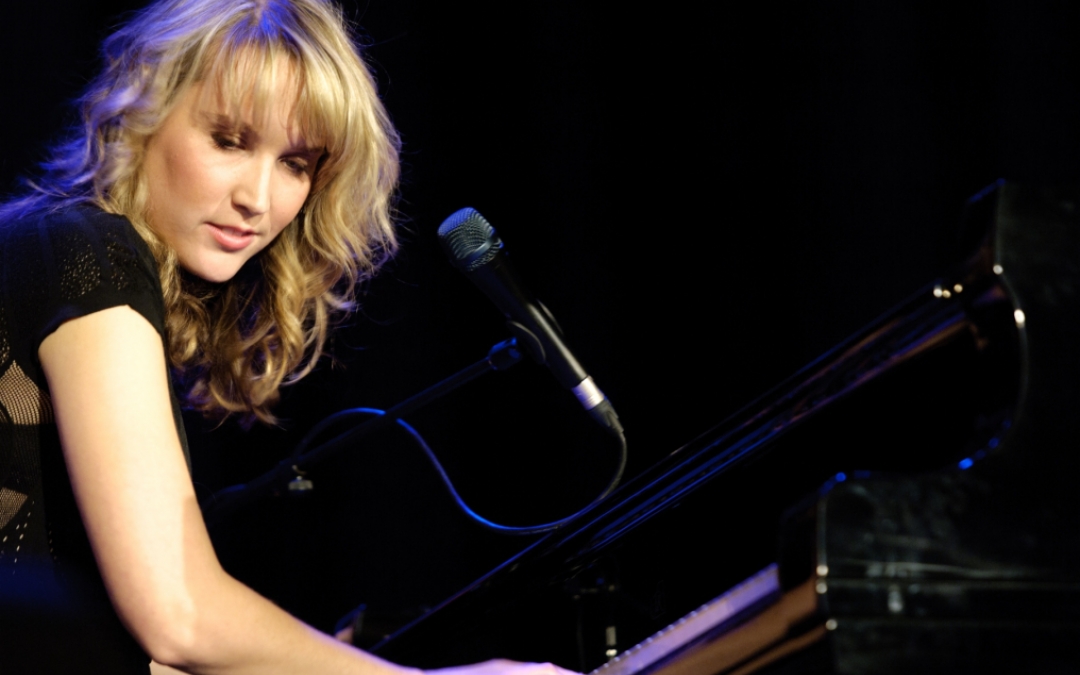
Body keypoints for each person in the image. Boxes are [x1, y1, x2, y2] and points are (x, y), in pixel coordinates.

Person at [0, 1, 574, 673]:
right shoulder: (86, 250)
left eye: (296, 163)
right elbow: (180, 617)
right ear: (142, 110)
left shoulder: (59, 252)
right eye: (229, 140)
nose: (258, 197)